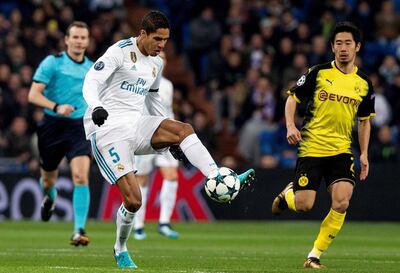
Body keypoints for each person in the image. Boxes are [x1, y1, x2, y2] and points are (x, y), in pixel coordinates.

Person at [82, 10, 255, 269]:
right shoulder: (119, 51)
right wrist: (96, 106)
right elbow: (91, 80)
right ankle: (120, 248)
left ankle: (216, 175)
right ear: (143, 34)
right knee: (134, 200)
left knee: (183, 129)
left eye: (166, 40)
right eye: (157, 39)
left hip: (137, 124)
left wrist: (167, 135)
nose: (162, 45)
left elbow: (153, 101)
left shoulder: (157, 63)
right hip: (107, 128)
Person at [271, 21, 375, 269]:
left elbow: (364, 122)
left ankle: (314, 255)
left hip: (341, 150)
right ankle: (288, 194)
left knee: (342, 202)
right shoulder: (318, 72)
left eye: (348, 43)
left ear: (357, 47)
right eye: (338, 43)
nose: (343, 48)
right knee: (305, 205)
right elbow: (291, 98)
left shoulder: (364, 84)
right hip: (312, 148)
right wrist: (290, 126)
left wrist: (364, 154)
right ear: (332, 47)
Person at [28, 21, 93, 246]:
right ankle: (49, 198)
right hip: (52, 125)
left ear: (88, 41)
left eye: (83, 37)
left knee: (80, 176)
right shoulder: (52, 63)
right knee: (48, 180)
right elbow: (33, 95)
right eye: (75, 37)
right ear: (66, 39)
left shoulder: (93, 69)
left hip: (78, 127)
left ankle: (79, 230)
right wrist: (56, 106)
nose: (79, 41)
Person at [133, 51, 180, 240]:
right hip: (145, 134)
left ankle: (164, 222)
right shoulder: (139, 80)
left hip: (167, 135)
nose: (161, 60)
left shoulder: (168, 85)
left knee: (172, 176)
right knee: (141, 180)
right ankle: (138, 226)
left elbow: (168, 111)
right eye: (157, 57)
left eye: (164, 57)